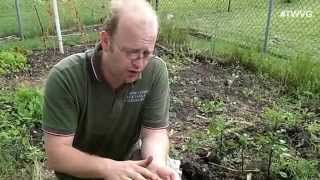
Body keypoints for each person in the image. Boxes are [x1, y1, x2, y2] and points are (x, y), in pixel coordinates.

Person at [42, 0, 180, 179]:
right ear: (106, 41)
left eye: (146, 53)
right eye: (131, 52)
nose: (139, 64)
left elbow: (153, 133)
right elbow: (57, 155)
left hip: (129, 165)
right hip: (81, 174)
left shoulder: (154, 71)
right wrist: (109, 168)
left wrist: (155, 165)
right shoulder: (66, 77)